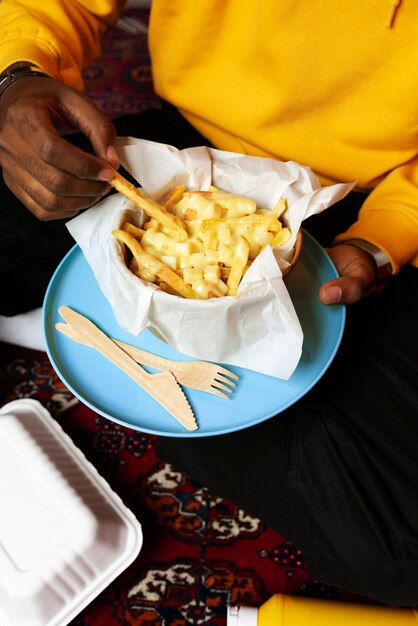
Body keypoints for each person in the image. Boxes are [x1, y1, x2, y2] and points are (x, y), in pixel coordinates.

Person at [1, 0, 417, 605]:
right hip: (182, 148)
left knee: (398, 549)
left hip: (367, 194)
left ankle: (112, 352)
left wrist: (384, 241)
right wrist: (15, 76)